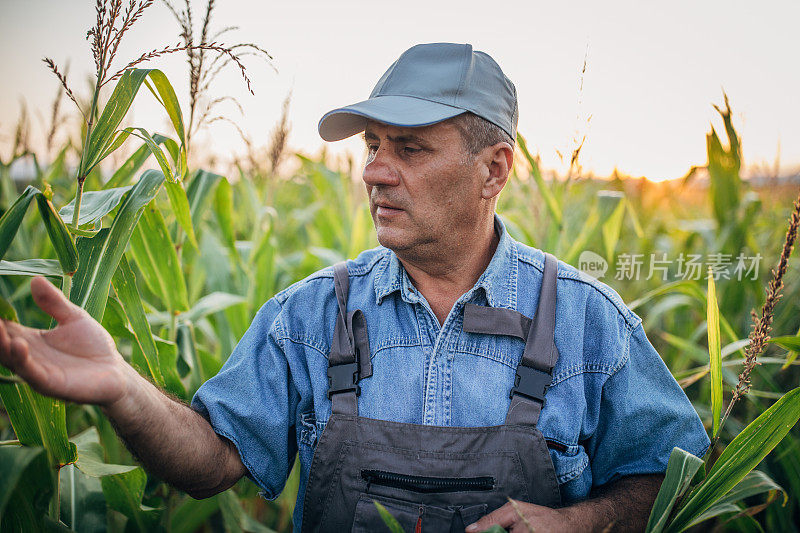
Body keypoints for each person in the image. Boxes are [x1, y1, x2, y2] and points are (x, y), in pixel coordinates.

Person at [0, 43, 709, 532]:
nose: (373, 171)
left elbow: (680, 481)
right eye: (372, 145)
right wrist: (122, 385)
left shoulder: (590, 323)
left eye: (410, 147)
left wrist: (579, 521)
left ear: (493, 170)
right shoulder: (311, 316)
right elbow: (212, 459)